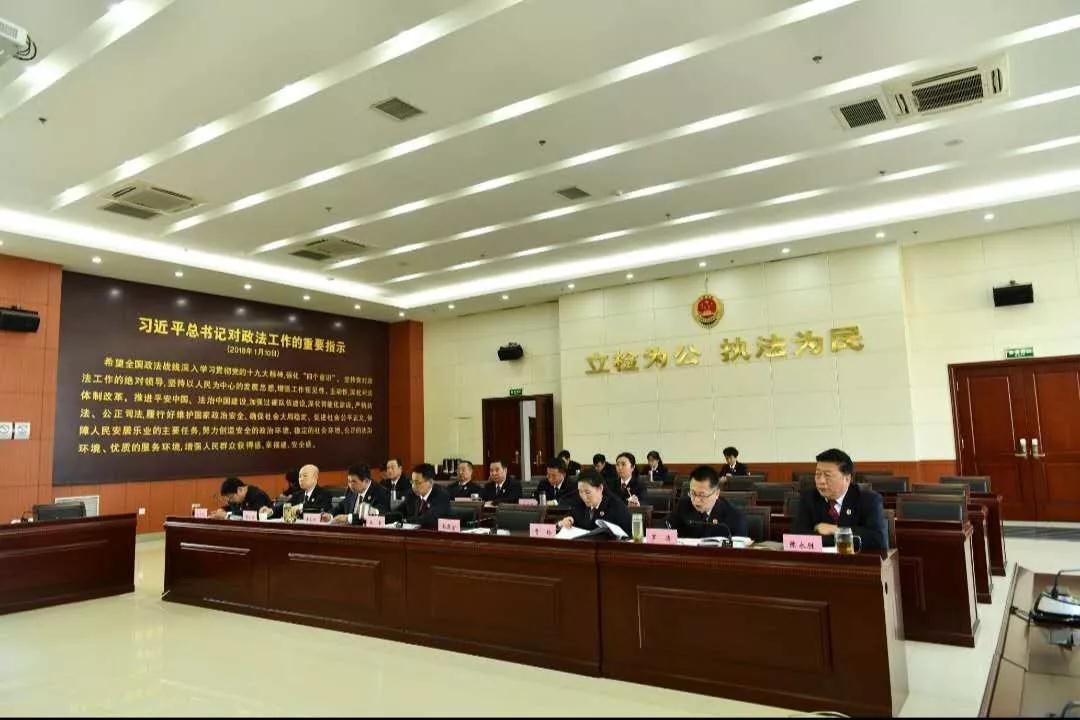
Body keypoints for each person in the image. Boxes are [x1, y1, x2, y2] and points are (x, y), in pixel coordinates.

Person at [792, 448, 887, 551]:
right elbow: (798, 538)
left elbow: (877, 539)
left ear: (847, 478)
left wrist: (836, 530)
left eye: (827, 475)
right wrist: (848, 538)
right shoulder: (809, 498)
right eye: (818, 474)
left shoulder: (868, 500)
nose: (821, 481)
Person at [666, 465, 747, 538]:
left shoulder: (734, 516)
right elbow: (664, 525)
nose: (696, 500)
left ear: (717, 493)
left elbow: (739, 546)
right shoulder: (683, 505)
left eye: (702, 495)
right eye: (693, 493)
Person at [558, 469, 632, 536]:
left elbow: (630, 534)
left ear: (600, 488)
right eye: (580, 491)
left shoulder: (616, 506)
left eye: (588, 492)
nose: (584, 497)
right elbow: (571, 517)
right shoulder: (578, 503)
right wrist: (567, 521)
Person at [390, 463, 451, 529]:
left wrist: (405, 521)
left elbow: (428, 518)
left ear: (430, 482)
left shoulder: (442, 496)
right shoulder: (412, 494)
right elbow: (399, 511)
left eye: (417, 482)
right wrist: (386, 517)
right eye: (412, 482)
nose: (413, 486)